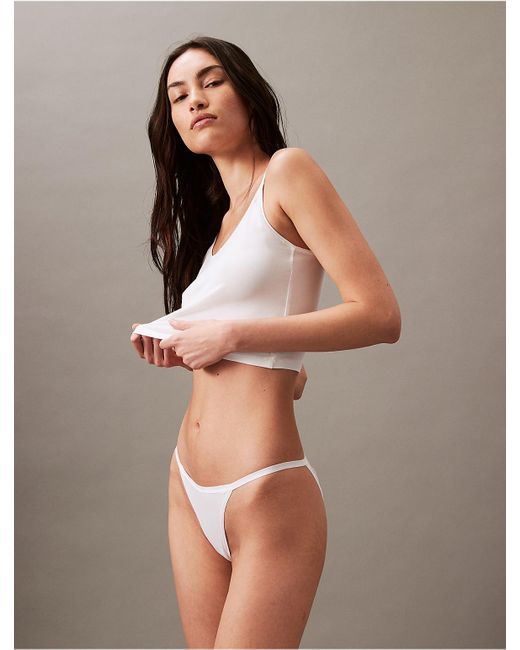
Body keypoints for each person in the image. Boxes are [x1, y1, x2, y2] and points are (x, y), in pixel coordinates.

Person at [130, 35, 401, 649]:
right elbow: (276, 339)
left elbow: (380, 315)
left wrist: (233, 334)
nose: (195, 100)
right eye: (178, 95)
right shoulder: (218, 223)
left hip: (263, 486)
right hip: (187, 483)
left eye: (211, 82)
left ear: (247, 92)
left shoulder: (288, 172)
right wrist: (180, 341)